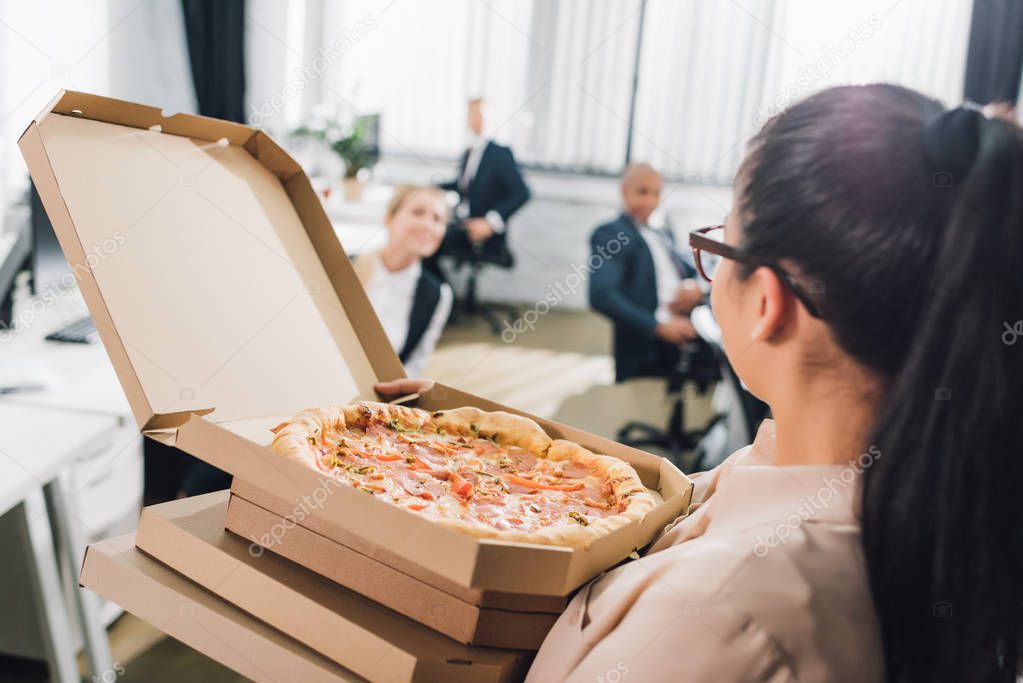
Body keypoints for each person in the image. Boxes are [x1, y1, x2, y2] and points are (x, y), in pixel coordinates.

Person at [377, 84, 1023, 682]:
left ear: (767, 301)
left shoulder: (716, 617)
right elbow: (673, 506)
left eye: (718, 245)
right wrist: (451, 443)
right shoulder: (899, 493)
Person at [589, 162, 705, 381]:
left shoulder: (661, 233)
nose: (650, 201)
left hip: (688, 318)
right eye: (642, 192)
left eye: (656, 193)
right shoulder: (610, 234)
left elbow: (690, 269)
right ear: (625, 191)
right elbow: (601, 295)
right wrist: (658, 326)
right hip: (653, 342)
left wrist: (695, 286)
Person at [354, 185, 452, 378]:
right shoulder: (347, 267)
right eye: (418, 212)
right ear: (389, 219)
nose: (428, 226)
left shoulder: (439, 295)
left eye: (438, 219)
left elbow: (414, 367)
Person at [430, 98, 531, 270]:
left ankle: (439, 293)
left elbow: (522, 193)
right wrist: (433, 187)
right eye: (471, 115)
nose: (475, 120)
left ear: (491, 119)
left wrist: (490, 222)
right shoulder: (470, 152)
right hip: (463, 223)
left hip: (483, 233)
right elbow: (465, 186)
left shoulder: (499, 153)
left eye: (480, 115)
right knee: (427, 235)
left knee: (428, 239)